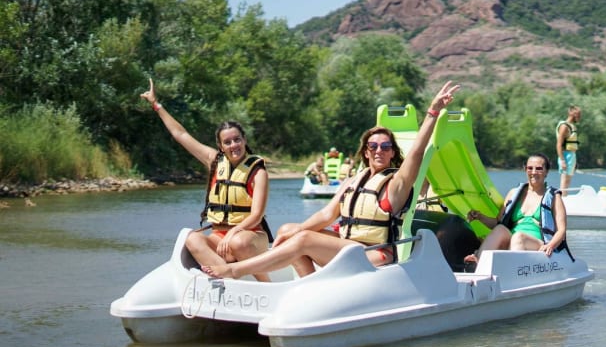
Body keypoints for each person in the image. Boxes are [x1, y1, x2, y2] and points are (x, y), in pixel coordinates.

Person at [203, 81, 460, 279]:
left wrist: (432, 112)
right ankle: (310, 285)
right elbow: (326, 215)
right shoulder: (354, 181)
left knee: (303, 240)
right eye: (373, 146)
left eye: (385, 146)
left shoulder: (396, 183)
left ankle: (236, 270)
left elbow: (416, 153)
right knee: (288, 231)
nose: (379, 151)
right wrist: (292, 233)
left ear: (393, 152)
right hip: (349, 247)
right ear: (366, 151)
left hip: (375, 254)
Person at [140, 78, 271, 281]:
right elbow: (180, 134)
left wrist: (233, 233)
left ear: (244, 140)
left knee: (238, 243)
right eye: (227, 142)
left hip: (251, 236)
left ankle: (266, 285)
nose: (234, 145)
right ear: (220, 146)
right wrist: (156, 105)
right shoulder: (214, 162)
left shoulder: (258, 172)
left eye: (237, 139)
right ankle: (228, 282)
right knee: (191, 239)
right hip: (220, 237)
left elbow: (256, 215)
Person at [464, 153, 570, 267]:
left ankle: (513, 269)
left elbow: (561, 230)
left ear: (546, 172)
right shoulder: (513, 193)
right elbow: (497, 223)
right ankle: (478, 262)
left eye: (539, 168)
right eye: (530, 168)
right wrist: (480, 217)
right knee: (500, 229)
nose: (534, 172)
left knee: (519, 237)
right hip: (512, 243)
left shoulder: (554, 197)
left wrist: (550, 245)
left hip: (537, 244)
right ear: (525, 170)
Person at [556, 105, 581, 195]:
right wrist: (562, 160)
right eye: (578, 114)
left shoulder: (572, 126)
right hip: (565, 155)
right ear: (572, 114)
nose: (579, 117)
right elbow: (559, 144)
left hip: (571, 155)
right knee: (564, 181)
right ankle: (562, 199)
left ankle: (565, 197)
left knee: (568, 181)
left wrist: (574, 161)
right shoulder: (564, 126)